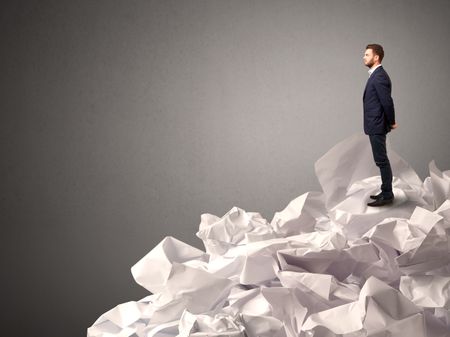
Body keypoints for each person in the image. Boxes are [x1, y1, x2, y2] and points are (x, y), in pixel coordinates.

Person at [362, 44, 398, 206]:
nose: (364, 57)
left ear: (376, 57)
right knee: (381, 160)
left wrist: (391, 121)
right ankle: (385, 191)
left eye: (367, 54)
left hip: (377, 124)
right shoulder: (375, 75)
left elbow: (387, 102)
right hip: (374, 124)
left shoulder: (379, 76)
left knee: (381, 160)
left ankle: (388, 194)